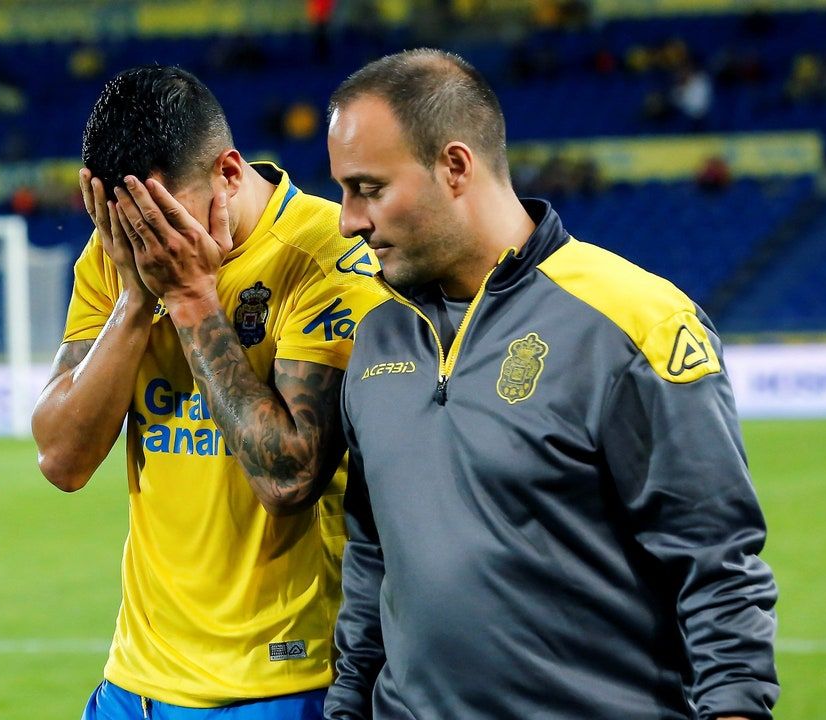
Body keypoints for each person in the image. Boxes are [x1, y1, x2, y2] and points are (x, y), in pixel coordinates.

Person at [323, 49, 778, 720]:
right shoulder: (378, 336)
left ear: (454, 167)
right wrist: (347, 706)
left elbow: (715, 565)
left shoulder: (631, 322)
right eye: (342, 190)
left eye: (368, 188)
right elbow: (373, 556)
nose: (348, 220)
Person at [31, 65, 386, 719]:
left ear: (228, 173)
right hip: (135, 683)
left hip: (283, 683)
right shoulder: (115, 257)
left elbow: (287, 478)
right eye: (124, 222)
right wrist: (137, 300)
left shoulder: (327, 258)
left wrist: (193, 300)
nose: (146, 242)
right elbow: (63, 460)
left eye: (161, 217)